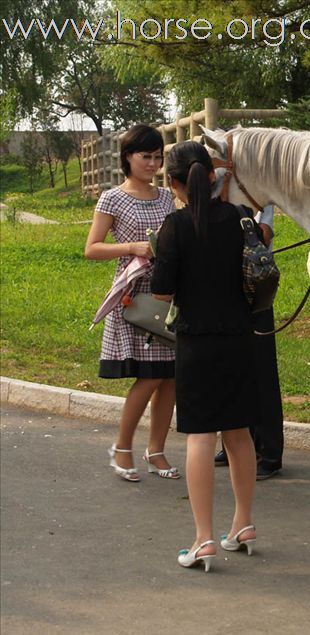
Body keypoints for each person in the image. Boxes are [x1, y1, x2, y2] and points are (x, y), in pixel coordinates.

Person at [151, 140, 257, 572]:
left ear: (173, 183)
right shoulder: (238, 218)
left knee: (199, 437)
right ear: (213, 176)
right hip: (238, 337)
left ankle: (203, 538)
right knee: (238, 433)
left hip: (196, 341)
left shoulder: (173, 227)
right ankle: (244, 525)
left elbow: (162, 290)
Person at [85, 124, 179, 482]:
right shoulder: (112, 198)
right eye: (146, 156)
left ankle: (156, 449)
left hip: (169, 293)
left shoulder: (167, 196)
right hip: (134, 294)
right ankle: (122, 448)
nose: (153, 163)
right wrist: (132, 247)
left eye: (157, 157)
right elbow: (91, 248)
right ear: (128, 157)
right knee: (148, 377)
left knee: (170, 376)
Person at [214, 205, 284, 480]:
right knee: (229, 368)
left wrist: (260, 223)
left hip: (255, 285)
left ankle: (269, 452)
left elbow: (264, 229)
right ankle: (236, 443)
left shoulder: (252, 187)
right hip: (226, 289)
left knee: (261, 369)